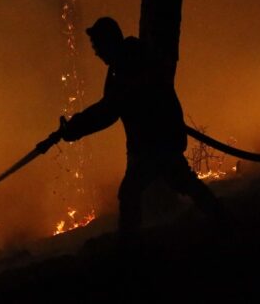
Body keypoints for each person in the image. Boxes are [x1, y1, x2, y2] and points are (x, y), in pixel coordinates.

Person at [59, 17, 229, 249]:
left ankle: (130, 249)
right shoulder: (126, 62)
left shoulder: (130, 63)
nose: (96, 53)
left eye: (97, 46)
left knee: (131, 192)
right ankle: (223, 220)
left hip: (155, 141)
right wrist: (75, 127)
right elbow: (110, 106)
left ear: (109, 42)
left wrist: (75, 128)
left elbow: (109, 109)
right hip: (156, 140)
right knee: (182, 182)